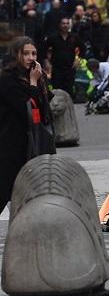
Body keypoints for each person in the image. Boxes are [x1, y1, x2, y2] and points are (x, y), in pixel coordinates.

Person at [0, 37, 53, 213]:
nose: (31, 58)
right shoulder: (7, 79)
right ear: (17, 55)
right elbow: (26, 107)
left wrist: (40, 83)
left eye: (34, 53)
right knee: (5, 190)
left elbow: (44, 108)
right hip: (10, 143)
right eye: (26, 53)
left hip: (33, 142)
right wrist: (33, 83)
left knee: (28, 193)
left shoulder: (35, 76)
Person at [44, 16, 82, 96]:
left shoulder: (74, 37)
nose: (65, 25)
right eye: (63, 23)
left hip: (70, 68)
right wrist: (46, 61)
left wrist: (77, 59)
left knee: (69, 90)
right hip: (57, 68)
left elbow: (83, 48)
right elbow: (43, 49)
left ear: (69, 25)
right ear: (60, 25)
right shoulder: (53, 37)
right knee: (57, 90)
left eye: (67, 23)